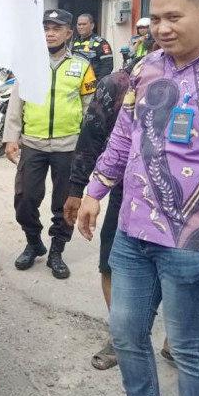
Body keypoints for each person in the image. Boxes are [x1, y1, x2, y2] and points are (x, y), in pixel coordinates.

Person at [77, 0, 199, 396]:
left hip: (192, 241)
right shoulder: (147, 66)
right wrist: (94, 190)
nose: (163, 27)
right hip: (132, 231)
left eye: (174, 16)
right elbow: (124, 137)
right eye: (156, 18)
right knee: (127, 333)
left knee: (193, 351)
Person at [63, 55, 145, 371]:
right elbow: (96, 141)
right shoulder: (119, 84)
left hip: (193, 202)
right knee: (113, 264)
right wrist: (82, 191)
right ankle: (121, 336)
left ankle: (176, 341)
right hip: (128, 191)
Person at [3, 9, 97, 280]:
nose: (50, 33)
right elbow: (15, 104)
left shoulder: (82, 66)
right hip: (33, 143)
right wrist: (11, 137)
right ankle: (34, 242)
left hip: (69, 147)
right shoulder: (29, 65)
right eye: (46, 28)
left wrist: (88, 145)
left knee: (65, 203)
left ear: (69, 33)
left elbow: (90, 109)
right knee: (25, 199)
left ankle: (57, 249)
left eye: (56, 28)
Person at [73, 13, 114, 79]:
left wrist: (98, 82)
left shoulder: (101, 43)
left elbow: (107, 66)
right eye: (79, 24)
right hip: (77, 81)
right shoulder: (74, 42)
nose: (81, 27)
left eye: (84, 24)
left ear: (92, 26)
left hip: (93, 82)